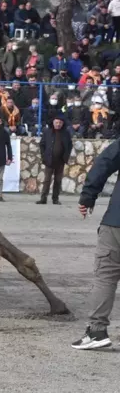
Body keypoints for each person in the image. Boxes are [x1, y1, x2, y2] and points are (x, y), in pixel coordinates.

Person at [71, 138, 120, 350]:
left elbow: (104, 162)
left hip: (117, 222)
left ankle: (97, 331)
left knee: (106, 275)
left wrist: (88, 196)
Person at [36, 114, 73, 205]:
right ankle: (43, 198)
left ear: (62, 123)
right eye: (56, 122)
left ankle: (55, 199)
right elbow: (42, 145)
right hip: (49, 160)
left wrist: (66, 157)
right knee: (47, 180)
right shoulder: (47, 132)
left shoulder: (66, 133)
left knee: (58, 180)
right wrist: (44, 156)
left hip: (60, 161)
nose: (58, 124)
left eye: (60, 123)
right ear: (53, 123)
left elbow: (69, 145)